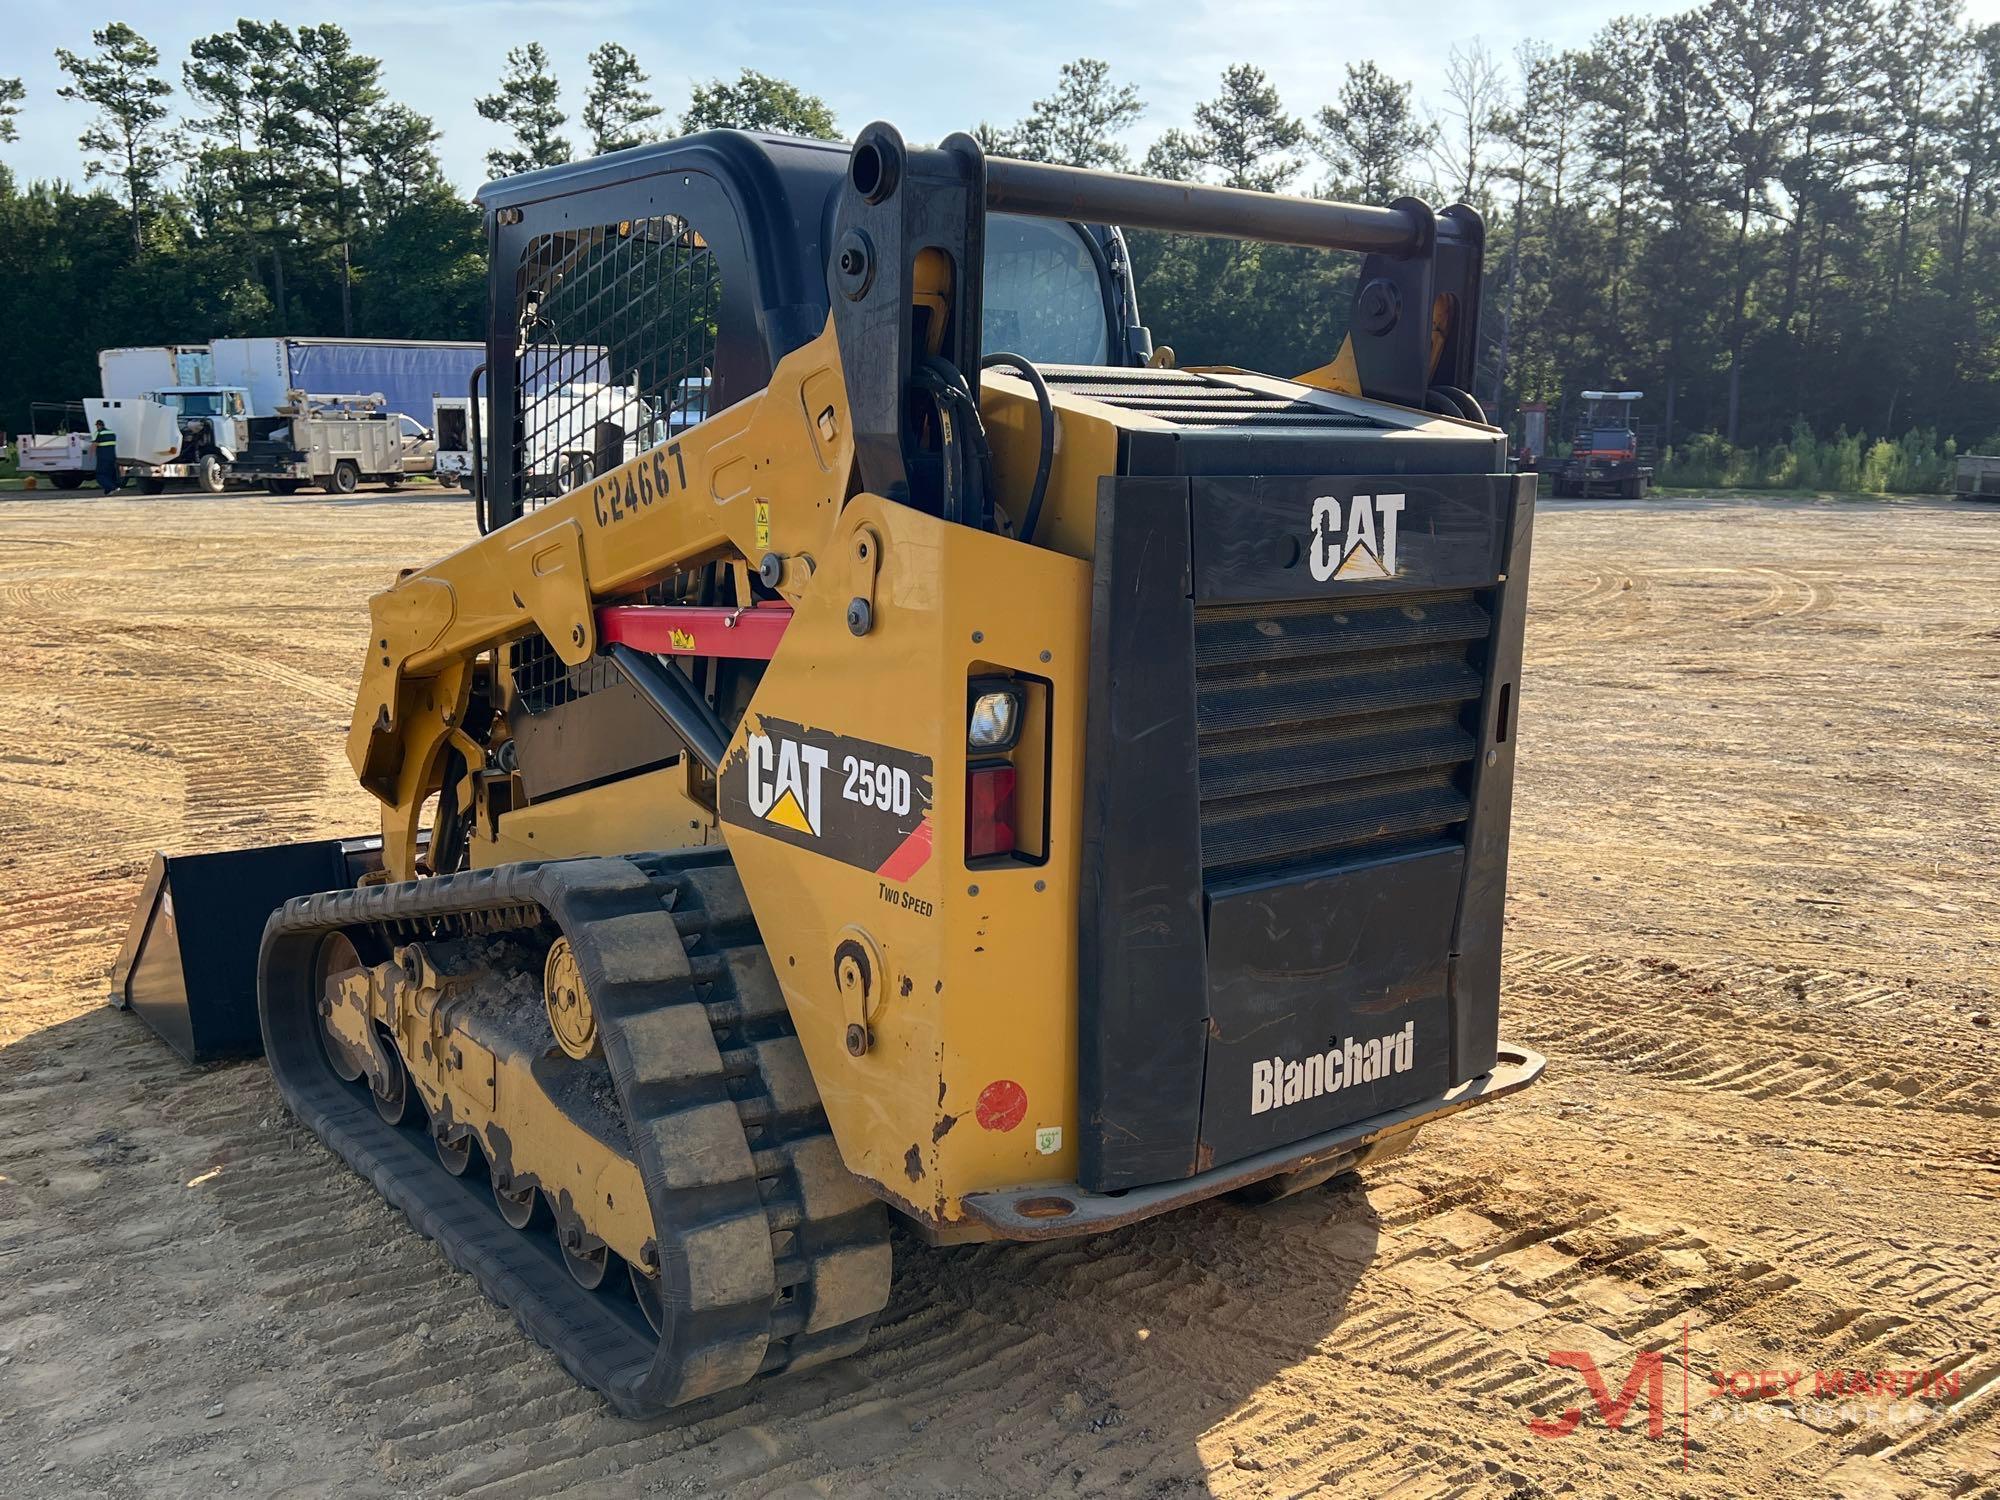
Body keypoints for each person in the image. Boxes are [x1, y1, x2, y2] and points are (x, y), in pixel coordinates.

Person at [93, 419, 122, 496]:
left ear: (98, 426)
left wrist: (91, 455)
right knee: (110, 473)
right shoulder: (112, 433)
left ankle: (112, 487)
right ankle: (109, 490)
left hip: (103, 457)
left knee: (100, 475)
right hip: (112, 457)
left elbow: (94, 445)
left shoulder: (99, 433)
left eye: (96, 426)